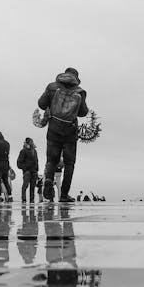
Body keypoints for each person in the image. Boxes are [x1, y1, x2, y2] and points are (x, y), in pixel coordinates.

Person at [38, 67, 89, 203]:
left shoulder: (52, 87)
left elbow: (41, 104)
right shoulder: (80, 91)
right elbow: (83, 112)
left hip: (53, 128)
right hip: (70, 132)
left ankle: (48, 180)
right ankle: (64, 195)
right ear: (76, 78)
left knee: (51, 160)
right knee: (69, 163)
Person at [17, 137, 39, 203]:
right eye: (30, 142)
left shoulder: (34, 151)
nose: (32, 143)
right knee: (25, 186)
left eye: (32, 142)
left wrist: (37, 169)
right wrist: (25, 168)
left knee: (32, 187)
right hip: (27, 172)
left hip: (34, 172)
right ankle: (24, 199)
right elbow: (19, 163)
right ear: (26, 143)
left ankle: (32, 200)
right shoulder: (23, 151)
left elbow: (36, 161)